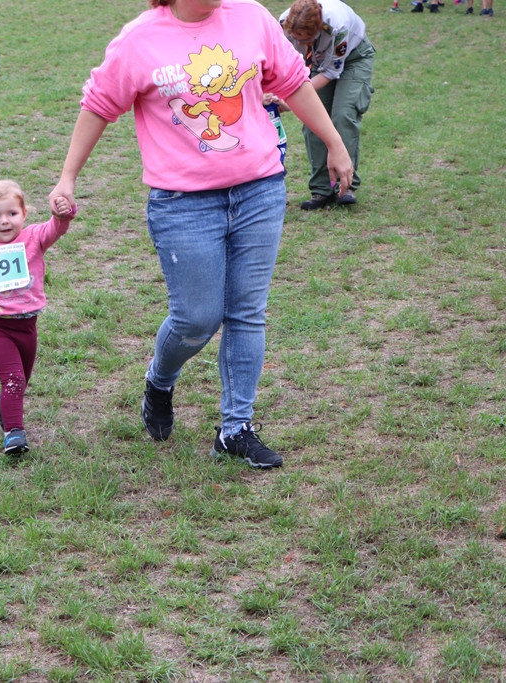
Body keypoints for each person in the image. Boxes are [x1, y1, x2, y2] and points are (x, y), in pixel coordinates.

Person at [48, 0, 353, 469]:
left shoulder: (250, 16)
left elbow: (292, 83)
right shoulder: (139, 38)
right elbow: (98, 106)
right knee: (196, 318)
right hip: (183, 203)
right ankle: (160, 380)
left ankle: (235, 429)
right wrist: (67, 177)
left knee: (247, 312)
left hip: (260, 189)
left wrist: (334, 142)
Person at [0, 181, 76, 455]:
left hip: (27, 326)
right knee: (14, 379)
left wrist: (62, 214)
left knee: (20, 381)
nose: (5, 221)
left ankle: (3, 403)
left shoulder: (34, 237)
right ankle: (14, 433)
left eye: (12, 214)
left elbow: (57, 228)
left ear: (24, 214)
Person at [279, 0, 374, 210]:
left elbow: (332, 71)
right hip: (318, 64)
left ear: (317, 31)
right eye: (296, 39)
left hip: (353, 59)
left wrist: (292, 98)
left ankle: (345, 185)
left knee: (342, 116)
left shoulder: (337, 28)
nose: (300, 44)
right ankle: (321, 189)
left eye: (306, 40)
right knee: (313, 120)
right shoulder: (283, 24)